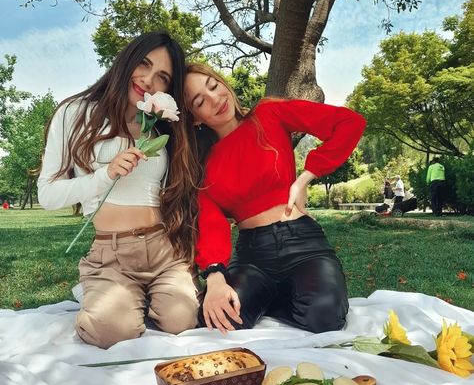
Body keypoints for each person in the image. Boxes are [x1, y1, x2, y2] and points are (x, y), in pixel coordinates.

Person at [38, 32, 202, 349]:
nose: (148, 80)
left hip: (162, 248)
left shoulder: (158, 128)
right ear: (127, 60)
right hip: (111, 254)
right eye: (144, 64)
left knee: (181, 321)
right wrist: (105, 174)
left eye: (162, 77)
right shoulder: (76, 113)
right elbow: (47, 194)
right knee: (111, 332)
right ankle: (100, 290)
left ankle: (143, 297)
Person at [184, 63, 366, 334]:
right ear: (195, 117)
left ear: (224, 84)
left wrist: (307, 175)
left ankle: (277, 298)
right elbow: (211, 225)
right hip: (252, 256)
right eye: (200, 101)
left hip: (303, 244)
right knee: (221, 319)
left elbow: (349, 122)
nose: (214, 99)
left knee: (325, 317)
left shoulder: (268, 113)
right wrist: (215, 279)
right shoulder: (203, 167)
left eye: (214, 86)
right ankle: (277, 296)